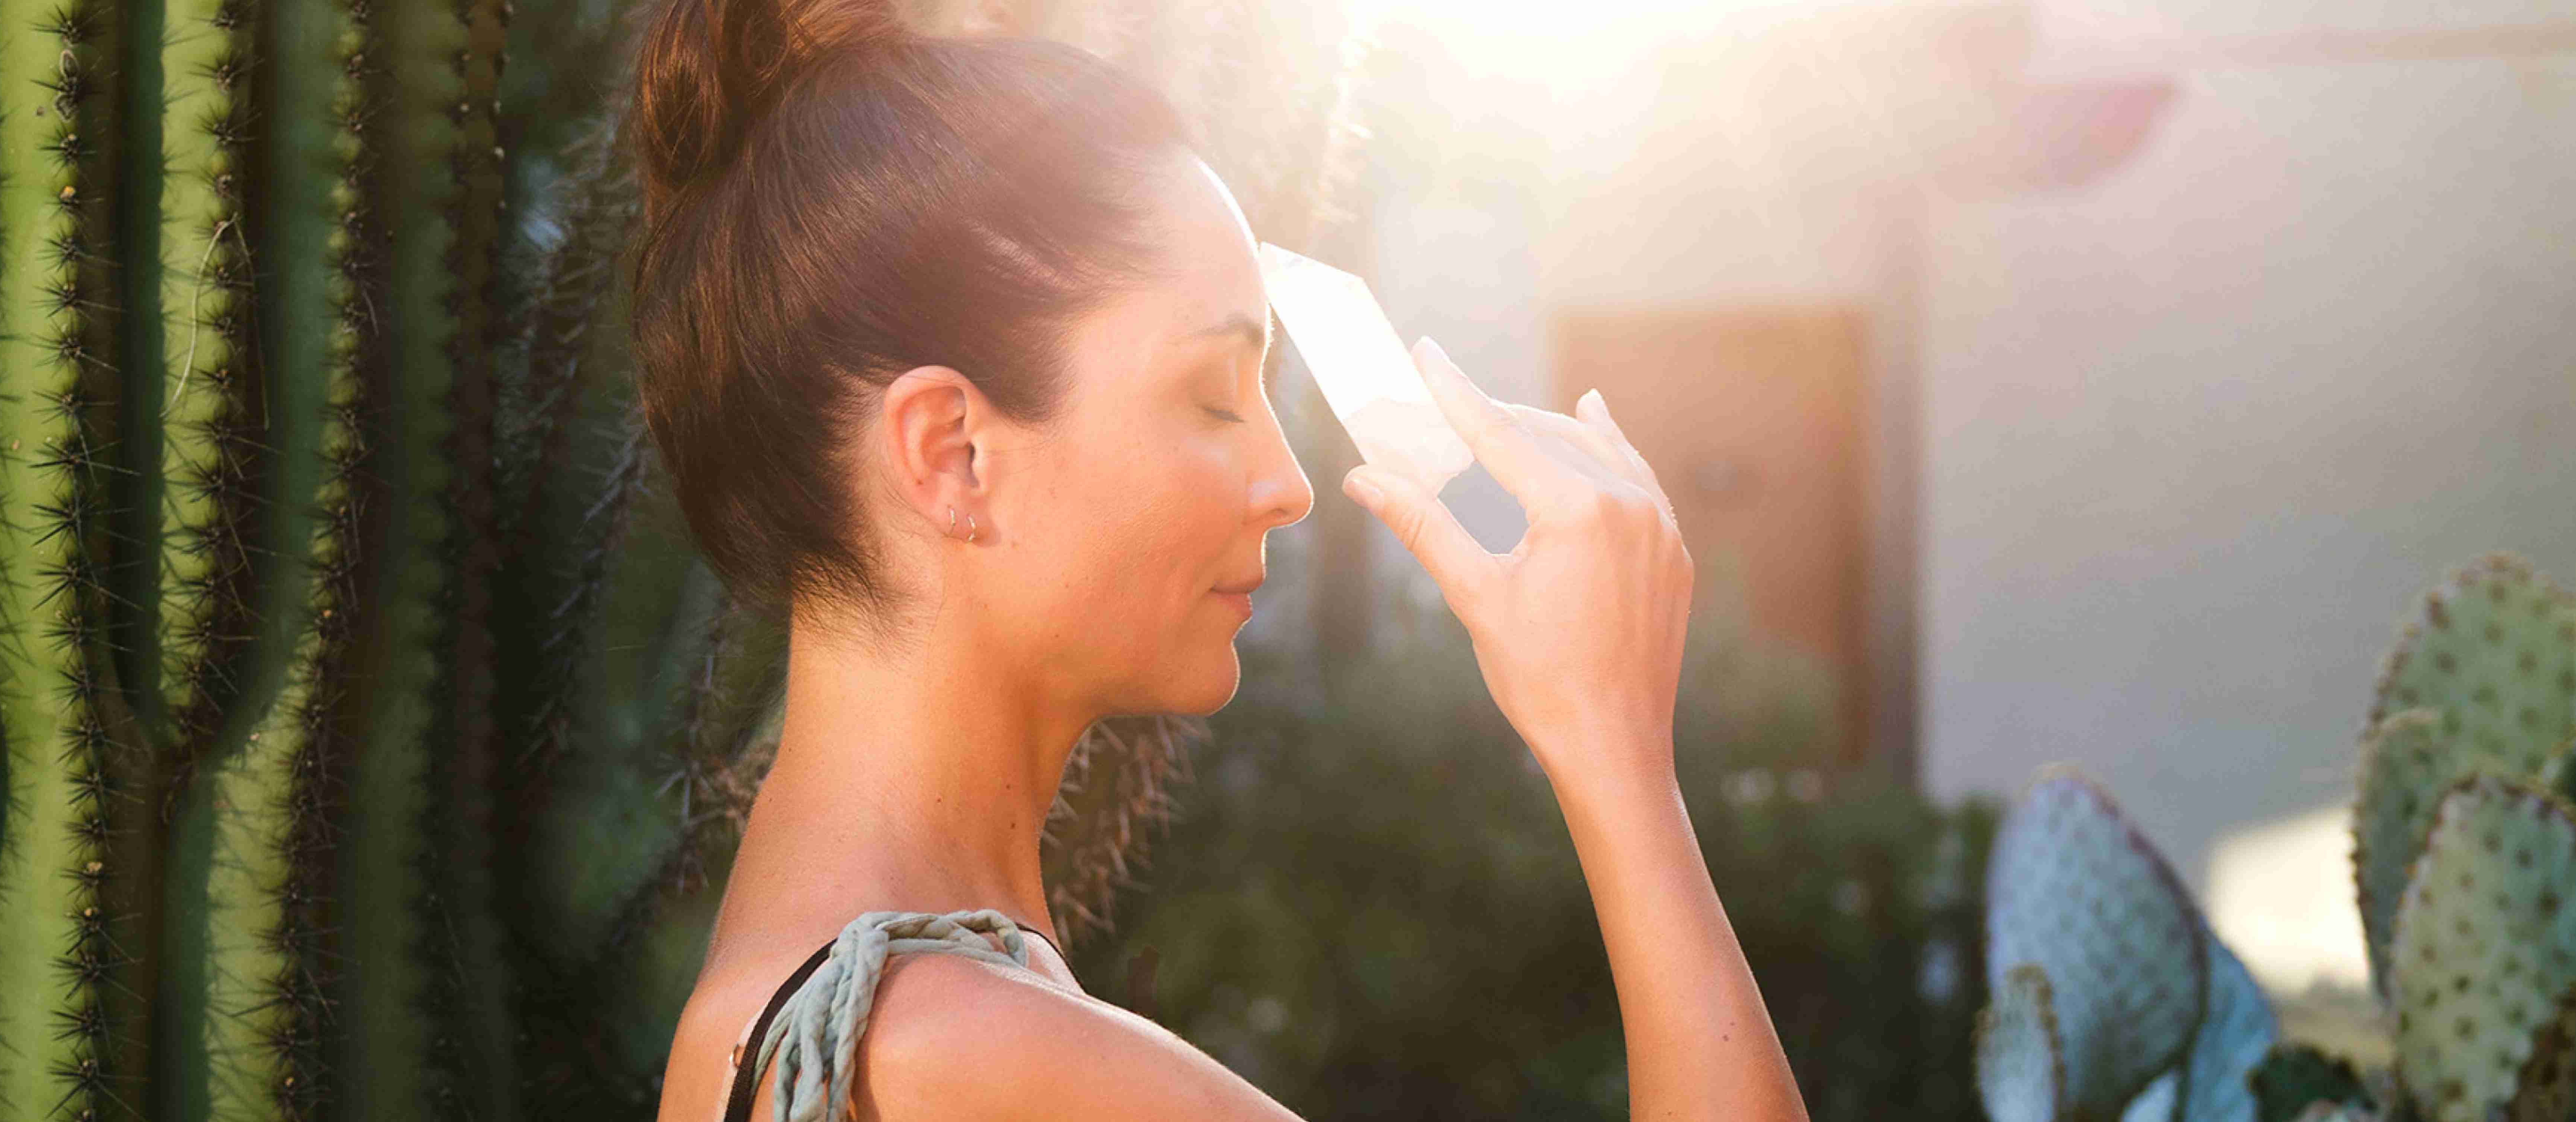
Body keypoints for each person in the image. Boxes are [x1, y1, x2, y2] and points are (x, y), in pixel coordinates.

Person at [628, 0, 1807, 1118]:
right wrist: (1616, 756)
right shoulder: (954, 1054)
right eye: (1209, 395)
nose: (1290, 485)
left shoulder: (828, 1010)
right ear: (953, 455)